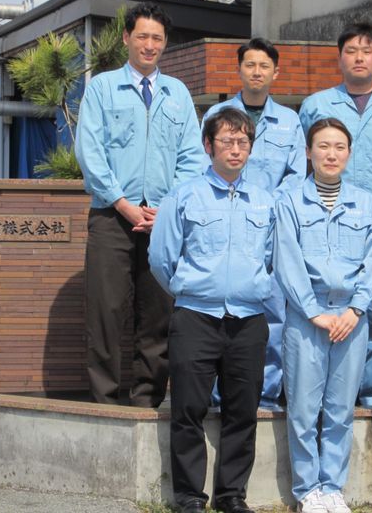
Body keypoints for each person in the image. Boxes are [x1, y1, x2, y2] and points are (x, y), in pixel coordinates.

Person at [75, 4, 202, 407]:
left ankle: (147, 400)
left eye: (157, 38)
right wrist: (123, 203)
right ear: (127, 38)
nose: (150, 45)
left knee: (158, 312)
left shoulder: (177, 94)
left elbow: (192, 158)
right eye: (142, 36)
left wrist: (166, 209)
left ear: (165, 43)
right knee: (106, 311)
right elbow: (90, 152)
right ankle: (106, 404)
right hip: (112, 216)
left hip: (162, 219)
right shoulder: (103, 88)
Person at [149, 108, 274, 513]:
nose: (235, 149)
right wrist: (189, 289)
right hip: (195, 318)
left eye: (243, 142)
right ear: (208, 145)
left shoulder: (265, 200)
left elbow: (272, 257)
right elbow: (161, 258)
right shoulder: (184, 196)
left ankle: (231, 494)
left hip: (248, 320)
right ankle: (189, 496)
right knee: (188, 408)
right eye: (227, 141)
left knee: (243, 410)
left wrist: (254, 286)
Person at [299, 21, 372, 407]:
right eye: (351, 51)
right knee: (332, 301)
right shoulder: (316, 105)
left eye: (367, 51)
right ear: (340, 59)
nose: (359, 58)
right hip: (326, 220)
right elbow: (302, 167)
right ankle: (329, 388)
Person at [274, 118, 372, 513]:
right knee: (303, 409)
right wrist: (313, 311)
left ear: (349, 153)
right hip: (307, 318)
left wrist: (356, 308)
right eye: (323, 146)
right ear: (308, 152)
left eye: (339, 147)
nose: (331, 154)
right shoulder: (290, 202)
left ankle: (332, 486)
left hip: (352, 319)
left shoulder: (366, 203)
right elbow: (286, 261)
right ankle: (308, 490)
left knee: (340, 409)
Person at [202, 37, 306, 409]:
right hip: (226, 224)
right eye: (250, 65)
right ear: (239, 70)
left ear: (275, 72)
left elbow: (296, 174)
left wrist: (265, 206)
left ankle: (266, 392)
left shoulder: (290, 121)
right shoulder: (218, 115)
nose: (256, 72)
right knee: (223, 307)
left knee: (273, 309)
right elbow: (205, 167)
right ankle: (220, 392)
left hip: (272, 227)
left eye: (264, 66)